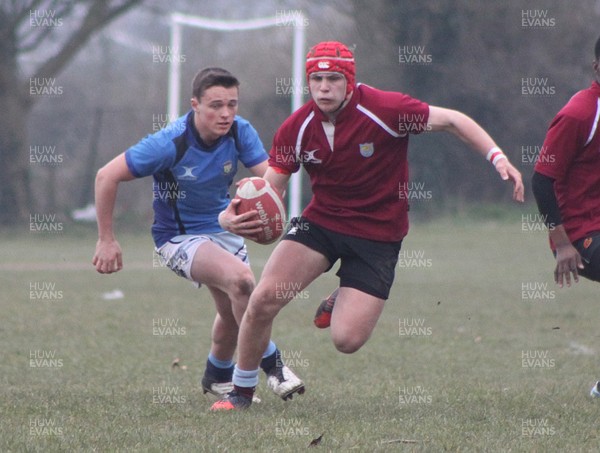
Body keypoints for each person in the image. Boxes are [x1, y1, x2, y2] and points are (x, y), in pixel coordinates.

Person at [211, 42, 524, 410]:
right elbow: (271, 190)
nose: (324, 87)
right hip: (321, 225)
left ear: (350, 80)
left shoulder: (387, 110)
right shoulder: (297, 127)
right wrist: (229, 218)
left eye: (332, 79)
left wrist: (497, 157)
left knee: (347, 340)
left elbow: (454, 121)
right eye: (316, 79)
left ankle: (342, 295)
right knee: (263, 300)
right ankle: (241, 393)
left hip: (378, 237)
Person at [92, 67, 304, 401]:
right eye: (215, 105)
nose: (225, 113)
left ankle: (217, 375)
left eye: (232, 104)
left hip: (225, 228)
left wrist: (262, 205)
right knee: (243, 283)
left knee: (232, 315)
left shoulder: (239, 132)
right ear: (194, 105)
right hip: (178, 237)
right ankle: (273, 366)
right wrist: (107, 239)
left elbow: (270, 181)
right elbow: (106, 176)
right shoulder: (168, 143)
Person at [531, 36, 600, 397]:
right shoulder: (580, 114)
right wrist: (562, 244)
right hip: (579, 233)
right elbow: (542, 180)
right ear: (597, 68)